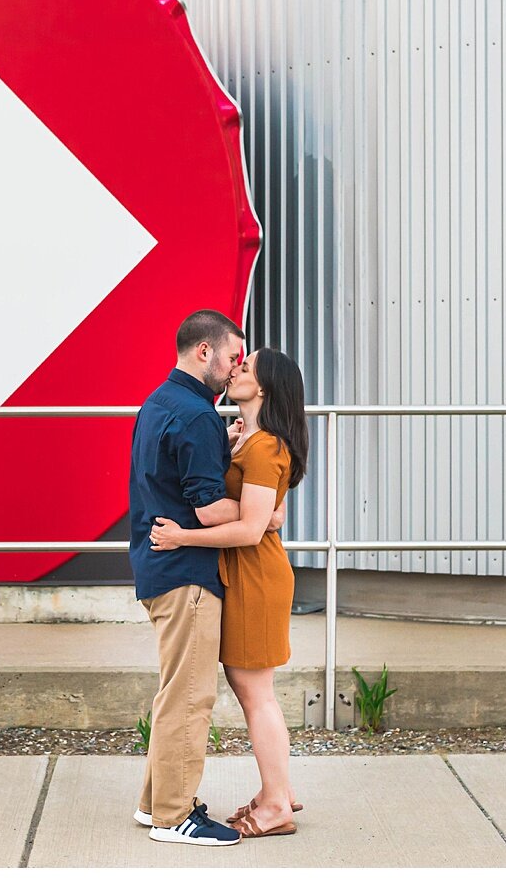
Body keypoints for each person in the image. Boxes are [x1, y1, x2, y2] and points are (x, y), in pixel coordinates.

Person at [127, 309, 285, 848]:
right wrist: (260, 513)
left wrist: (229, 447)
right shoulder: (195, 415)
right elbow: (211, 507)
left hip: (157, 569)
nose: (234, 366)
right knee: (191, 698)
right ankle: (175, 816)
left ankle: (156, 804)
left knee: (175, 692)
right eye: (232, 357)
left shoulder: (159, 402)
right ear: (205, 353)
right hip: (188, 574)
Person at [150, 347, 309, 840]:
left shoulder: (265, 447)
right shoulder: (247, 440)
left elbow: (247, 530)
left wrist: (183, 537)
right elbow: (260, 514)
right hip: (243, 574)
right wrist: (261, 508)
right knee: (251, 695)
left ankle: (278, 803)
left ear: (263, 387)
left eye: (246, 367)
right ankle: (273, 792)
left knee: (257, 695)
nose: (235, 369)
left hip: (256, 576)